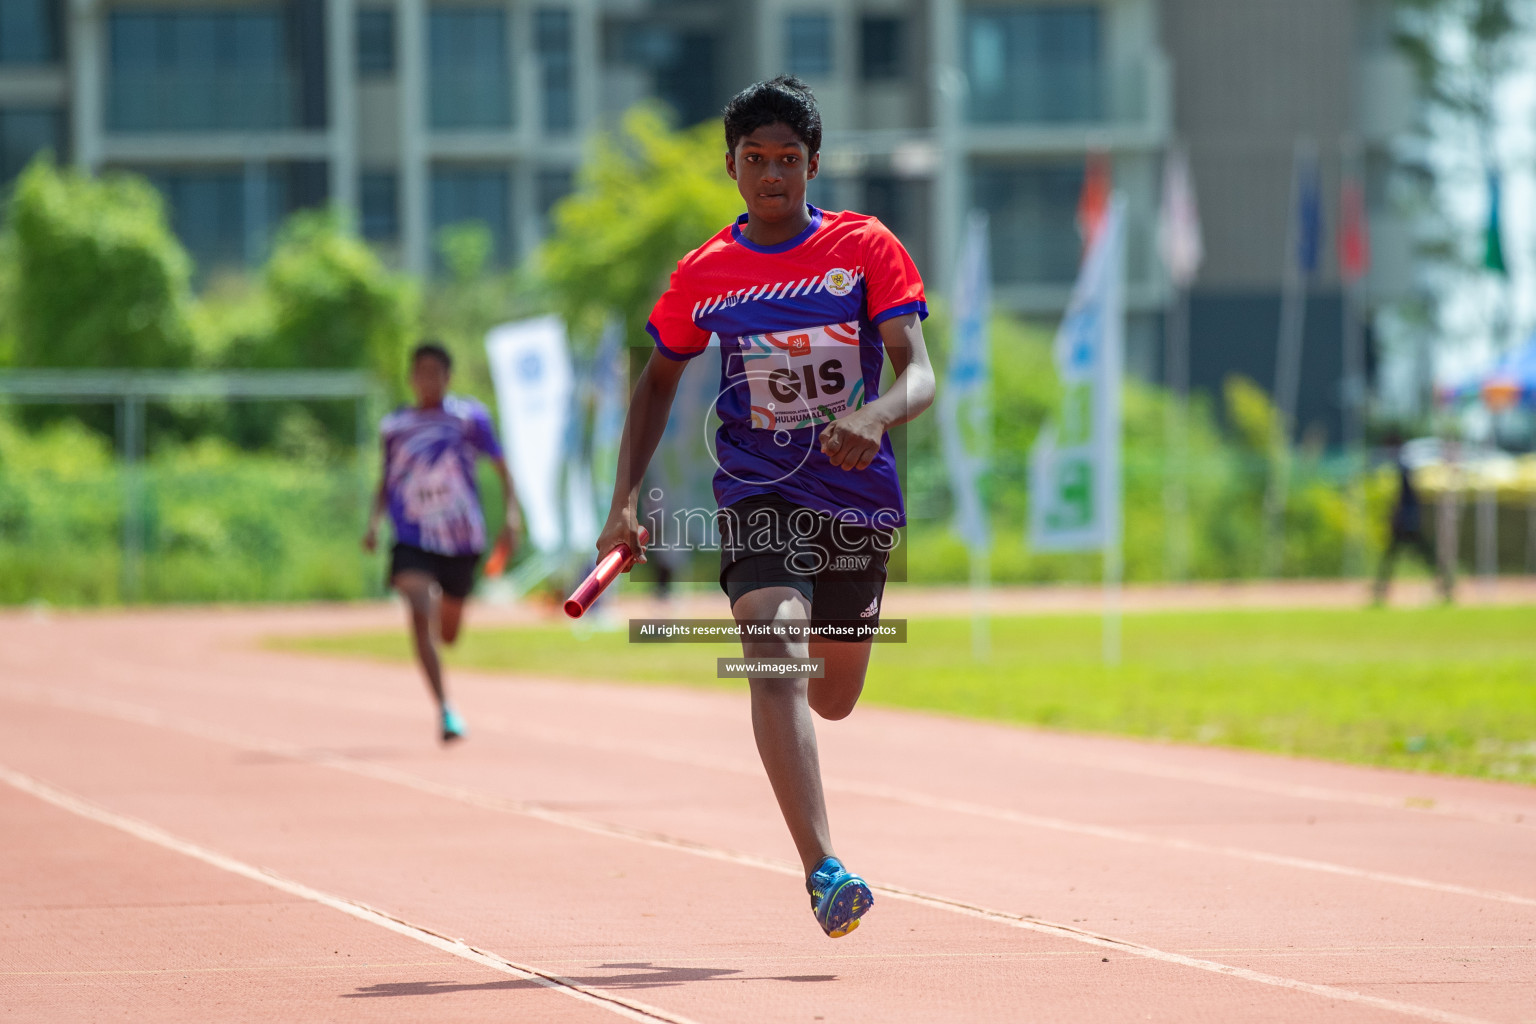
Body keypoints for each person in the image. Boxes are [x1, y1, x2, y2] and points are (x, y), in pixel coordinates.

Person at [596, 76, 936, 938]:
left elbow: (920, 372)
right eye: (757, 159)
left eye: (789, 159)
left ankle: (828, 679)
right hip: (757, 488)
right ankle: (823, 868)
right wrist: (623, 500)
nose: (774, 174)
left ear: (814, 165)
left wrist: (874, 413)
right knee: (771, 641)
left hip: (855, 495)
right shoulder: (706, 273)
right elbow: (658, 378)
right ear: (732, 167)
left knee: (833, 695)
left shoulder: (865, 248)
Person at [364, 341, 522, 742]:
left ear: (448, 377)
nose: (426, 380)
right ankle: (445, 709)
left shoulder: (469, 419)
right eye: (419, 372)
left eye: (435, 372)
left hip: (461, 538)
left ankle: (439, 617)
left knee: (448, 634)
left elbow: (502, 468)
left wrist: (511, 515)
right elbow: (387, 478)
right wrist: (373, 522)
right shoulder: (395, 426)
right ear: (411, 377)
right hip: (413, 536)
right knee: (420, 612)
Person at [1372, 436, 1453, 605]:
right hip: (1409, 521)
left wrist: (1399, 517)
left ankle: (1445, 584)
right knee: (1413, 556)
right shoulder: (1404, 467)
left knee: (1397, 558)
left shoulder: (1402, 469)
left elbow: (1405, 498)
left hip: (1406, 522)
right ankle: (1445, 584)